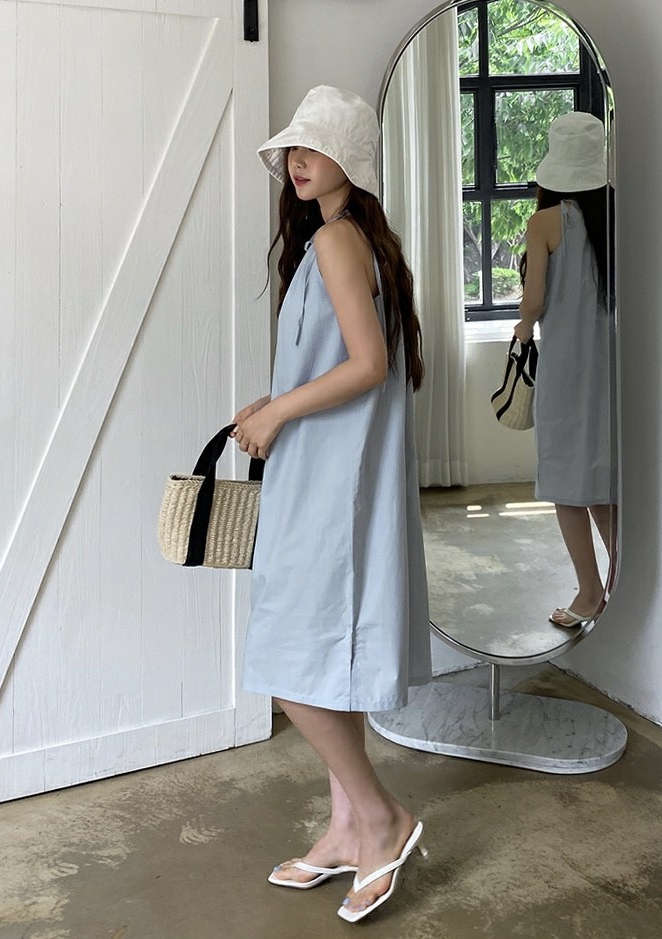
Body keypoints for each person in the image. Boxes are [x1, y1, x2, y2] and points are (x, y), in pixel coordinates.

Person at [230, 86, 432, 923]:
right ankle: (347, 826)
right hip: (324, 471)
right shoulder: (345, 239)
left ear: (350, 159)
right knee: (313, 655)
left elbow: (367, 363)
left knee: (288, 657)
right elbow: (347, 361)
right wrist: (273, 402)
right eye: (293, 148)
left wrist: (278, 410)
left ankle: (381, 817)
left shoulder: (336, 240)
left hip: (326, 479)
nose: (296, 160)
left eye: (313, 147)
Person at [514, 111, 616, 629]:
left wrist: (522, 325)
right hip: (615, 364)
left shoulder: (545, 223)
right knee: (602, 478)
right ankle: (624, 581)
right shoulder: (618, 216)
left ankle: (589, 591)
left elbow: (534, 302)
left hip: (566, 366)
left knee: (564, 481)